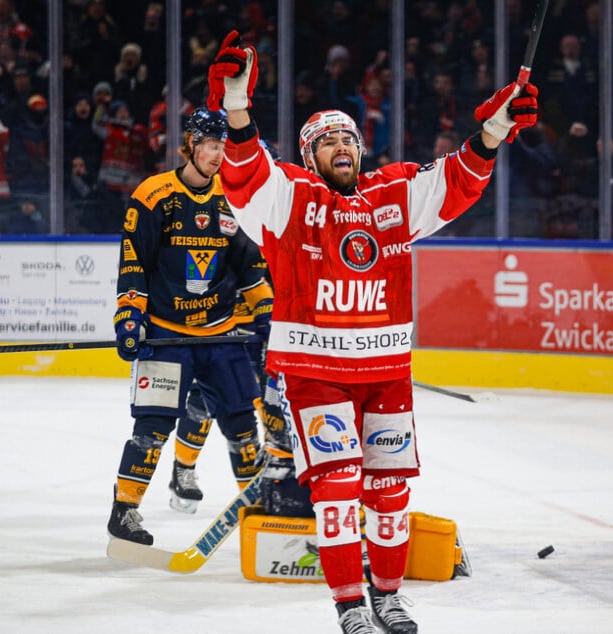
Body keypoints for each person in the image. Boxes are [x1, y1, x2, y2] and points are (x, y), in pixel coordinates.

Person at [209, 30, 538, 634]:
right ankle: (350, 607)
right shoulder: (288, 197)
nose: (339, 146)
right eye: (324, 140)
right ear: (308, 157)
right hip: (315, 379)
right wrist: (237, 111)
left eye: (346, 138)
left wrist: (493, 132)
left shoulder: (394, 194)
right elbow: (244, 175)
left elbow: (458, 180)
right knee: (336, 496)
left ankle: (387, 596)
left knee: (388, 497)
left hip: (386, 377)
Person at [106, 106, 274, 546]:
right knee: (152, 430)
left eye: (225, 147)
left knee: (242, 428)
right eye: (212, 146)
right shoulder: (153, 194)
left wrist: (266, 312)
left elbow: (250, 265)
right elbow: (134, 262)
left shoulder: (234, 197)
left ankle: (258, 514)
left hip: (221, 334)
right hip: (166, 335)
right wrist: (128, 314)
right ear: (192, 145)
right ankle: (124, 511)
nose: (219, 155)